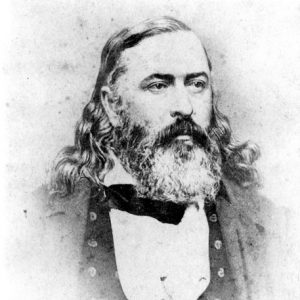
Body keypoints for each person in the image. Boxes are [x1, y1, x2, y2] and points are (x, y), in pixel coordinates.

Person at [37, 16, 283, 300]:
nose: (184, 107)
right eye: (158, 86)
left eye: (196, 84)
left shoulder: (274, 231)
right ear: (112, 105)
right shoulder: (39, 226)